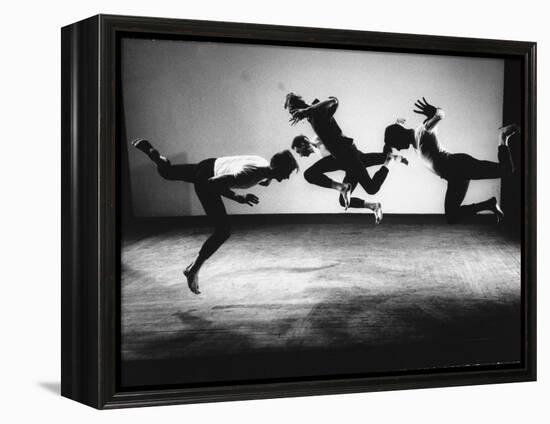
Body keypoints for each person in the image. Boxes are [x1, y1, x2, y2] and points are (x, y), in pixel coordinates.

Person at [131, 138, 298, 294]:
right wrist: (238, 197)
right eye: (286, 173)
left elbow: (262, 175)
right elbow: (213, 183)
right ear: (276, 168)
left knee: (167, 172)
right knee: (223, 231)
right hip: (207, 179)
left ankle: (158, 158)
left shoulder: (261, 162)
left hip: (209, 164)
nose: (286, 177)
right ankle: (193, 269)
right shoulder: (248, 176)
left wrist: (268, 179)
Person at [383, 97, 518, 223]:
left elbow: (440, 115)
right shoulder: (413, 141)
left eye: (397, 145)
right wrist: (396, 125)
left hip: (459, 165)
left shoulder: (422, 131)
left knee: (507, 170)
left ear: (399, 137)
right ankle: (489, 204)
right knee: (452, 216)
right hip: (453, 176)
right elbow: (396, 131)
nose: (399, 149)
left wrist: (435, 111)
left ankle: (503, 136)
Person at [284, 94, 404, 215]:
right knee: (310, 175)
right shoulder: (311, 117)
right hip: (343, 158)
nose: (293, 116)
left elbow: (334, 101)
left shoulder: (316, 112)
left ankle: (389, 161)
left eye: (292, 112)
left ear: (297, 108)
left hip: (347, 154)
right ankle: (347, 190)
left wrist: (306, 110)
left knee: (372, 188)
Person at [292, 135, 407, 224]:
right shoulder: (317, 151)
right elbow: (367, 158)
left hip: (353, 160)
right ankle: (373, 206)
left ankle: (388, 162)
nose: (300, 155)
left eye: (298, 151)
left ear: (303, 144)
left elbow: (328, 134)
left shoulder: (316, 140)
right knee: (344, 201)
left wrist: (311, 140)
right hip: (352, 165)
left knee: (372, 188)